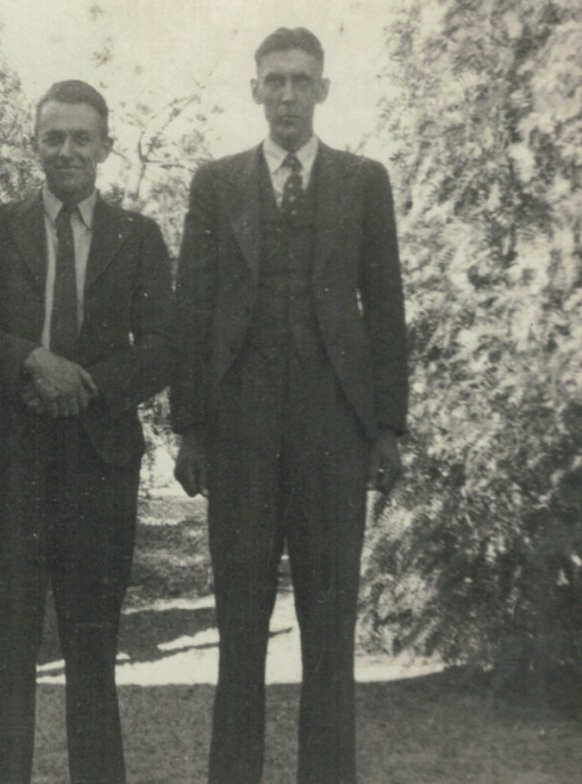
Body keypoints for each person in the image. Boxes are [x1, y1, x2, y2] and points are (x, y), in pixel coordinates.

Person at [172, 27, 408, 784]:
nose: (287, 95)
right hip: (239, 433)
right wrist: (190, 428)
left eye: (302, 80)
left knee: (330, 630)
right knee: (239, 628)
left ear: (323, 90)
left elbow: (387, 307)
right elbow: (192, 310)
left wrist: (387, 427)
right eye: (274, 80)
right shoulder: (216, 182)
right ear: (254, 90)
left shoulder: (363, 181)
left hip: (334, 431)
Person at [0, 79, 174, 784]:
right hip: (9, 464)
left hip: (98, 465)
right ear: (34, 145)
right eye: (54, 137)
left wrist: (85, 385)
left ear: (106, 146)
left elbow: (164, 346)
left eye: (83, 137)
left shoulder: (138, 237)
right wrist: (32, 361)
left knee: (93, 659)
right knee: (8, 658)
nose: (68, 150)